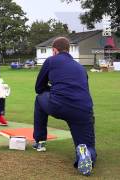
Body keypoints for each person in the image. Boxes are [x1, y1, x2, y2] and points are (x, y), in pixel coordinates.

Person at [33, 37, 97, 176]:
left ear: (54, 51)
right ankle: (85, 154)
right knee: (88, 146)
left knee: (39, 99)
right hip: (84, 110)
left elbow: (38, 88)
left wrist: (52, 89)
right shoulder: (80, 67)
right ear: (68, 50)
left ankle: (40, 141)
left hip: (59, 105)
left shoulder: (50, 61)